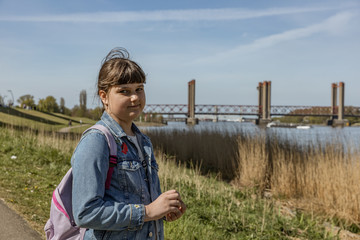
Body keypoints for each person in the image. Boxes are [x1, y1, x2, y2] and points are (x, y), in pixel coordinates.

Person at [71, 47, 186, 240]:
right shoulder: (96, 141)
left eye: (139, 89)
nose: (135, 97)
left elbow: (139, 203)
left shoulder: (143, 142)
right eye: (124, 91)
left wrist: (164, 211)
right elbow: (85, 213)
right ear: (104, 96)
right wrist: (148, 212)